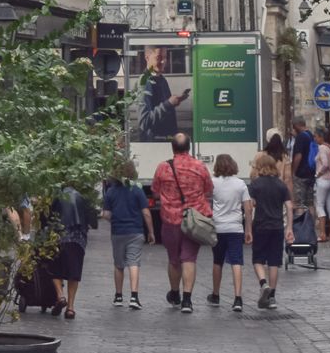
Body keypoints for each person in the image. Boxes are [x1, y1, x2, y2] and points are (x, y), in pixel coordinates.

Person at [152, 132, 213, 314]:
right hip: (193, 220)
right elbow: (208, 189)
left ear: (172, 148)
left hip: (171, 220)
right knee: (189, 259)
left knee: (174, 260)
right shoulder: (200, 166)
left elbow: (155, 191)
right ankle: (187, 300)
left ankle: (175, 292)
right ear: (189, 147)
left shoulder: (163, 168)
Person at [103, 159, 153, 309]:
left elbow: (105, 214)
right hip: (135, 231)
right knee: (133, 263)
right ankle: (134, 297)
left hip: (118, 232)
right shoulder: (137, 190)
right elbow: (146, 213)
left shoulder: (111, 192)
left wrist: (115, 219)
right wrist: (151, 232)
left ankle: (118, 297)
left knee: (119, 265)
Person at [248, 150, 293, 310]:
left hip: (260, 225)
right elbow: (289, 205)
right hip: (277, 226)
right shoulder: (281, 185)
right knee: (274, 262)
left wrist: (248, 225)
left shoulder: (255, 185)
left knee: (258, 259)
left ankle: (263, 283)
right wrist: (289, 227)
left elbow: (250, 205)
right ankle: (272, 296)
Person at [208, 153, 253, 312]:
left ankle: (215, 294)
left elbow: (206, 200)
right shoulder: (241, 184)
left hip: (218, 227)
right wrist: (248, 229)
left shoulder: (213, 183)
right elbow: (248, 209)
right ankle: (238, 298)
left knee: (217, 261)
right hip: (235, 228)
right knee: (236, 261)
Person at [49, 184, 99, 319]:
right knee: (74, 273)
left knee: (54, 268)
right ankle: (70, 308)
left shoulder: (57, 196)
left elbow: (49, 218)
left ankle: (60, 295)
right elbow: (92, 222)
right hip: (78, 240)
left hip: (59, 237)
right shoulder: (82, 197)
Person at [138, 45, 189, 141]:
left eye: (165, 57)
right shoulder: (144, 81)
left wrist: (175, 101)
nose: (163, 61)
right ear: (147, 58)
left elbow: (165, 110)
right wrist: (168, 104)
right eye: (159, 58)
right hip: (153, 144)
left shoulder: (161, 78)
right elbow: (144, 122)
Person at [314, 126, 330, 243]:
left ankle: (322, 233)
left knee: (320, 205)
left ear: (320, 137)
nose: (315, 138)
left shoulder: (322, 148)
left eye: (316, 136)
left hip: (323, 179)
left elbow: (325, 164)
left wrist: (317, 174)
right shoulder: (329, 147)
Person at [290, 115, 315, 210]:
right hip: (311, 173)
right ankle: (310, 223)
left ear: (297, 125)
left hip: (301, 174)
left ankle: (301, 224)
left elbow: (298, 156)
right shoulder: (310, 135)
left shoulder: (300, 137)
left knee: (299, 203)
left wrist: (293, 171)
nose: (293, 128)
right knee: (310, 203)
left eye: (293, 125)